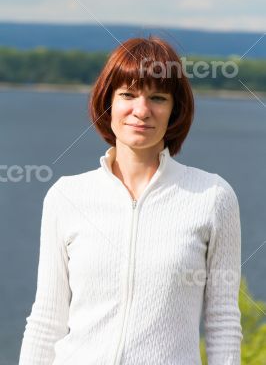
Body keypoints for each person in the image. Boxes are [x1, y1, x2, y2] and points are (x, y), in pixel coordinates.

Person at [19, 36, 243, 365]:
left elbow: (223, 322)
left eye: (157, 97)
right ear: (107, 101)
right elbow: (46, 320)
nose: (141, 110)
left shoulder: (212, 197)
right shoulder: (66, 197)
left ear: (174, 110)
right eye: (127, 94)